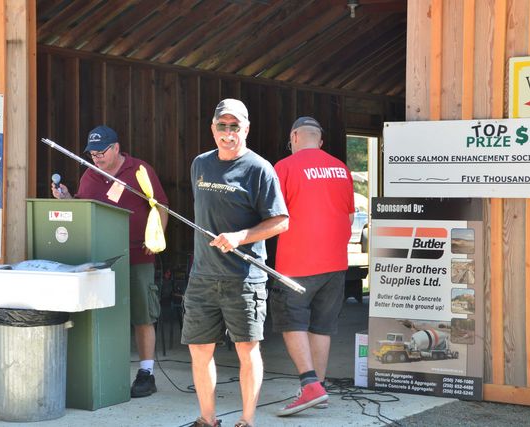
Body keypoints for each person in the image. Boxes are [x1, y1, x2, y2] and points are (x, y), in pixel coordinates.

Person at [182, 99, 289, 427]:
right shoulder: (200, 164)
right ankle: (207, 419)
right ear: (213, 128)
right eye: (222, 126)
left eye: (235, 126)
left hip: (244, 278)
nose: (228, 133)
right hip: (202, 276)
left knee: (247, 349)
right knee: (199, 350)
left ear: (246, 129)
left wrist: (241, 236)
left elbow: (281, 221)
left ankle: (246, 420)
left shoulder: (259, 169)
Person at [51, 125, 168, 398]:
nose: (97, 158)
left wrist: (156, 238)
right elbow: (84, 208)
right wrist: (67, 198)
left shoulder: (139, 170)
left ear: (116, 148)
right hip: (100, 258)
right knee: (102, 314)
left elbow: (161, 205)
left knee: (142, 314)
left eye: (101, 152)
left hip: (138, 254)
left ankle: (146, 373)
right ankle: (102, 368)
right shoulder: (89, 175)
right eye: (92, 154)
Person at [271, 116, 355, 416]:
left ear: (294, 136)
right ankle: (319, 388)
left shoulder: (284, 167)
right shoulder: (341, 168)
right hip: (335, 263)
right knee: (322, 326)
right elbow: (349, 217)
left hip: (296, 264)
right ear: (320, 141)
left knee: (292, 321)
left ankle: (309, 386)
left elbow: (274, 216)